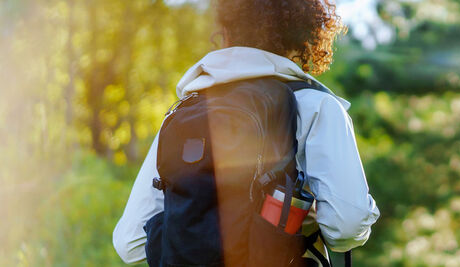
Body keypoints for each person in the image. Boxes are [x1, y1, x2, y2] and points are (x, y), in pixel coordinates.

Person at [112, 0, 380, 264]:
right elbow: (347, 226)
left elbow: (131, 242)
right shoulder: (317, 106)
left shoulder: (185, 110)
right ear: (304, 35)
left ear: (226, 30)